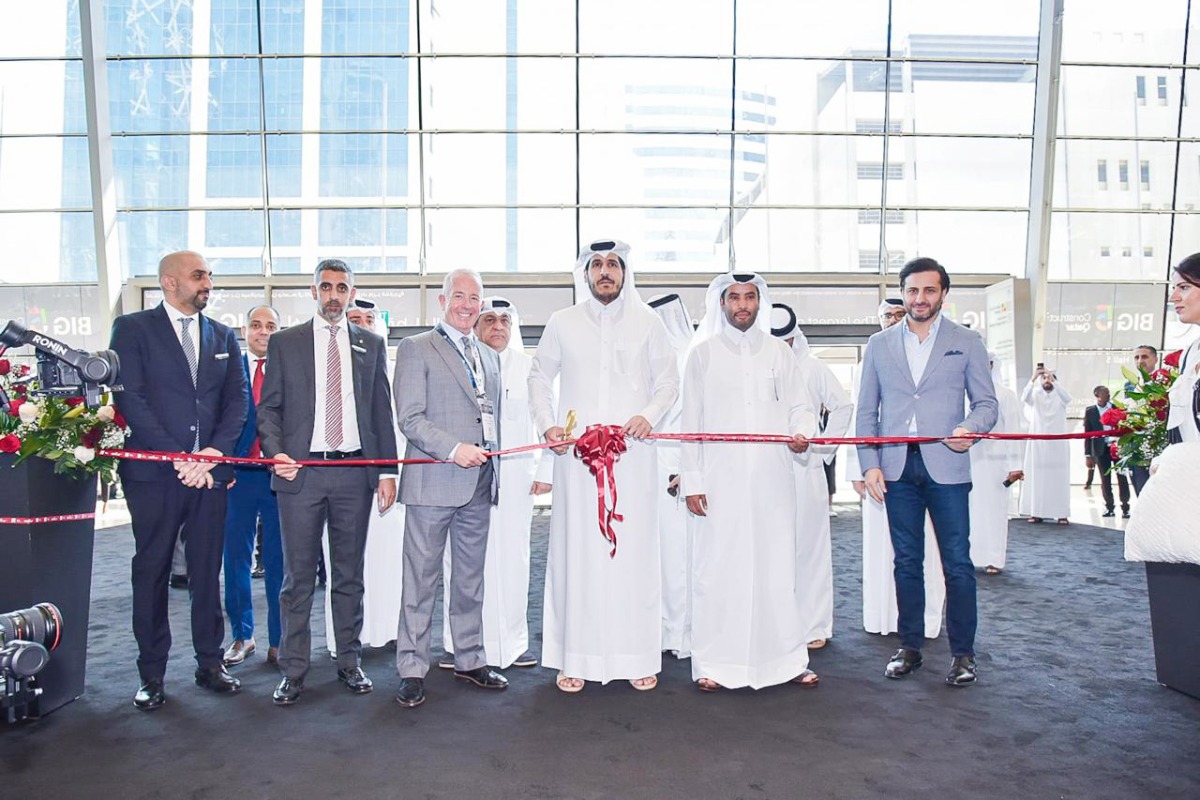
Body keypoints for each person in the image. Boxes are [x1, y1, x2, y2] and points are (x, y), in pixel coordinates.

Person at [528, 239, 680, 694]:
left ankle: (636, 656)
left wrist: (648, 416)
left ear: (625, 271)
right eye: (597, 265)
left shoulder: (649, 323)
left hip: (633, 459)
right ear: (586, 273)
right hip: (578, 461)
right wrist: (548, 426)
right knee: (578, 554)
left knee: (632, 556)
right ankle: (574, 658)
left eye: (613, 264)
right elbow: (539, 376)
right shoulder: (562, 322)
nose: (605, 272)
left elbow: (669, 382)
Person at [109, 250, 248, 710]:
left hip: (209, 474)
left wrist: (210, 455)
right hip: (154, 475)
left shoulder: (224, 335)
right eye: (198, 275)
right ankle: (152, 674)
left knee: (209, 570)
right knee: (152, 570)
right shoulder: (132, 330)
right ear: (170, 282)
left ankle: (211, 663)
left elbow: (238, 402)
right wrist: (178, 456)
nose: (207, 282)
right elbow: (131, 397)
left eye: (208, 275)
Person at [257, 259, 398, 706]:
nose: (334, 295)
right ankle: (294, 670)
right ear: (313, 291)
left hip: (354, 474)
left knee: (348, 576)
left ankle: (348, 662)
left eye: (342, 288)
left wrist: (386, 470)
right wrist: (276, 452)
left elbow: (380, 412)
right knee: (297, 579)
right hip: (301, 473)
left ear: (351, 292)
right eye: (326, 287)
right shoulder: (285, 342)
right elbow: (270, 408)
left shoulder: (371, 344)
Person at [856, 257, 998, 687]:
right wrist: (870, 465)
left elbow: (988, 405)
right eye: (913, 291)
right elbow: (866, 412)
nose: (920, 299)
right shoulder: (879, 344)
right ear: (904, 293)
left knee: (957, 563)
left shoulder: (967, 341)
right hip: (897, 467)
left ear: (943, 294)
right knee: (906, 561)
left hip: (947, 464)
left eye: (929, 290)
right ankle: (911, 646)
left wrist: (970, 430)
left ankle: (963, 654)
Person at [681, 274, 818, 691]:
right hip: (720, 483)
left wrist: (802, 435)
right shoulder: (702, 355)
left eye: (750, 297)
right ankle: (714, 664)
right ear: (721, 304)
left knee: (777, 568)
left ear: (762, 303)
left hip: (774, 480)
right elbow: (690, 423)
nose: (742, 305)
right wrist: (692, 481)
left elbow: (801, 406)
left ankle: (786, 661)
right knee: (718, 570)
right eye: (734, 298)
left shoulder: (779, 352)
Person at [393, 269, 508, 709]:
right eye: (458, 296)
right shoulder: (416, 348)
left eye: (474, 298)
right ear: (442, 301)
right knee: (420, 580)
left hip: (479, 481)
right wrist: (455, 449)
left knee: (469, 579)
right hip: (433, 480)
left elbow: (488, 415)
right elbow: (410, 418)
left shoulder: (489, 355)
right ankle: (412, 668)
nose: (466, 305)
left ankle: (470, 658)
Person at [440, 296, 551, 670]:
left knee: (514, 560)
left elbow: (546, 418)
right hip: (466, 478)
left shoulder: (527, 367)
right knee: (464, 562)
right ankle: (460, 646)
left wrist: (545, 470)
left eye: (505, 320)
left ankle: (514, 643)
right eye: (489, 320)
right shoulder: (461, 364)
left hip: (516, 479)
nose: (498, 327)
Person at [844, 299, 946, 641]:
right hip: (880, 470)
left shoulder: (931, 353)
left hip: (927, 468)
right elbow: (862, 414)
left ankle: (925, 622)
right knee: (881, 549)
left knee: (925, 549)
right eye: (886, 315)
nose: (892, 320)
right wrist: (859, 468)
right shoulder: (872, 355)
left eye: (898, 314)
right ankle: (881, 617)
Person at [323, 298, 407, 655]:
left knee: (389, 558)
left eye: (369, 319)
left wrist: (392, 470)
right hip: (345, 477)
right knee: (344, 563)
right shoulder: (331, 364)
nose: (363, 324)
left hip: (392, 474)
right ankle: (344, 639)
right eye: (354, 318)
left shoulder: (395, 364)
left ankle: (388, 629)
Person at [770, 304, 853, 651]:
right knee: (772, 549)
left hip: (807, 472)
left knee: (810, 548)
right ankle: (774, 625)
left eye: (788, 341)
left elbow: (843, 407)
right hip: (768, 473)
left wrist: (822, 450)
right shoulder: (757, 364)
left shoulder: (814, 367)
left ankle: (814, 625)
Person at [221, 305, 283, 667]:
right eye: (256, 325)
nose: (263, 331)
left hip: (279, 477)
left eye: (270, 325)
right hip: (237, 478)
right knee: (236, 559)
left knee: (280, 562)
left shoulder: (289, 370)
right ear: (245, 330)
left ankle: (279, 639)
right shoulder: (229, 369)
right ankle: (242, 636)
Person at [647, 292, 694, 658]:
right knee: (655, 558)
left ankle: (680, 635)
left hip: (677, 472)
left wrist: (689, 470)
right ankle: (661, 631)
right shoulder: (648, 360)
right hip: (646, 470)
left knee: (679, 557)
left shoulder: (689, 358)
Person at [968, 353, 1025, 575]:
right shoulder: (964, 391)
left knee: (994, 510)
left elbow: (1013, 430)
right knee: (968, 511)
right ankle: (970, 557)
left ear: (992, 365)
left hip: (996, 463)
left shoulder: (1005, 394)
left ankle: (993, 558)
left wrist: (1016, 466)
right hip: (968, 461)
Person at [1019, 368, 1072, 525]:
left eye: (1049, 378)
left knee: (1059, 479)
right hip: (1038, 445)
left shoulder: (1060, 395)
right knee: (1038, 478)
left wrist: (1053, 381)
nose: (1046, 381)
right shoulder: (1035, 394)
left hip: (1058, 446)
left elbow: (1068, 399)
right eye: (1044, 379)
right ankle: (1037, 513)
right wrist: (1033, 377)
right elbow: (1024, 398)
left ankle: (1061, 513)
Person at [1083, 385, 1129, 518]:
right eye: (1105, 394)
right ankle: (1109, 507)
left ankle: (1125, 507)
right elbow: (1087, 434)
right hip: (1100, 449)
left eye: (1108, 393)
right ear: (1097, 396)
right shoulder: (1090, 411)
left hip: (1117, 447)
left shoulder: (1116, 408)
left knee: (1122, 477)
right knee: (1105, 479)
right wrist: (1088, 454)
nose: (1108, 396)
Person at [1129, 344, 1159, 494]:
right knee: (1140, 492)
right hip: (1135, 447)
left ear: (1155, 359)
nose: (1140, 360)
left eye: (1145, 357)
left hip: (1156, 448)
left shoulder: (1162, 382)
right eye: (1137, 357)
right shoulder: (1130, 384)